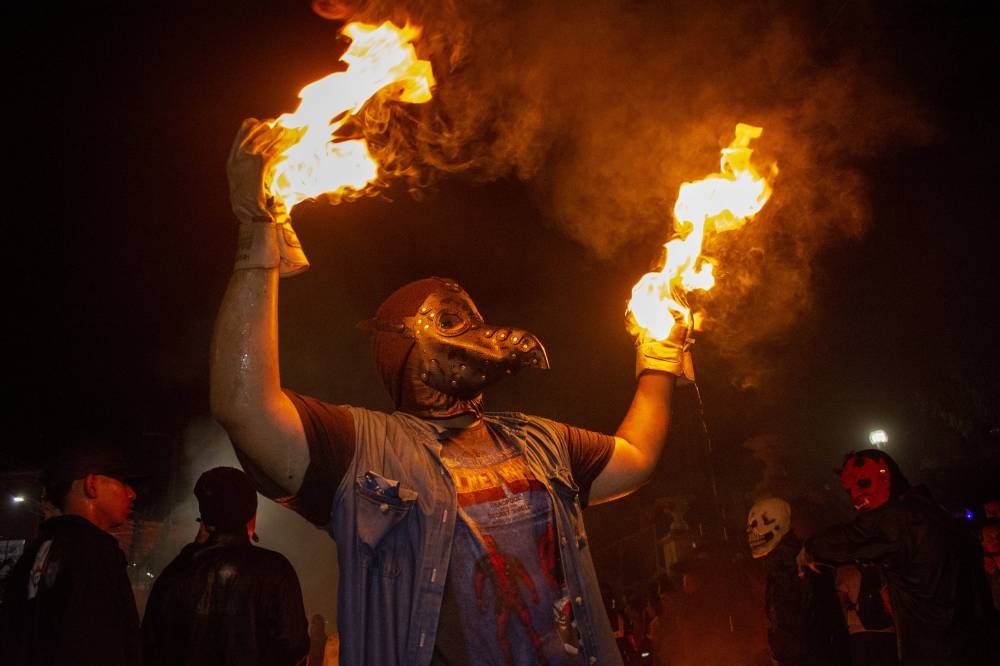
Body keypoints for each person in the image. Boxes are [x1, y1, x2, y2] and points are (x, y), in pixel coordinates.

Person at [209, 118, 693, 664]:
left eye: (472, 319)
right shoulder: (360, 446)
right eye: (454, 321)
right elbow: (243, 407)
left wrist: (660, 353)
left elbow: (635, 456)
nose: (479, 334)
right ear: (405, 348)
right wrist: (257, 238)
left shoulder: (538, 441)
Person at [798, 449, 997, 665]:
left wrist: (810, 549)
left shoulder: (900, 518)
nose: (855, 496)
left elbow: (849, 539)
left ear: (886, 475)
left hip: (937, 652)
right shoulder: (936, 515)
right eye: (849, 490)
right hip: (974, 647)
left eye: (864, 483)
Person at [141, 466, 309, 666]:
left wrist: (192, 551)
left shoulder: (174, 574)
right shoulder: (276, 571)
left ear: (204, 518)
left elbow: (149, 647)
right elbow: (293, 647)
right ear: (252, 516)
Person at [0, 438, 143, 666]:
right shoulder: (94, 551)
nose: (132, 494)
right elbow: (100, 645)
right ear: (92, 484)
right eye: (123, 482)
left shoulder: (36, 549)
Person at [746, 497, 849, 666]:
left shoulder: (790, 563)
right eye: (750, 526)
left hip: (806, 657)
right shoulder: (789, 560)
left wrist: (784, 652)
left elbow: (794, 616)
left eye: (760, 523)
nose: (751, 532)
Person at [834, 562, 898, 665]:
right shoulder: (885, 567)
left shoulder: (846, 569)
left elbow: (840, 603)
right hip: (888, 630)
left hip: (859, 631)